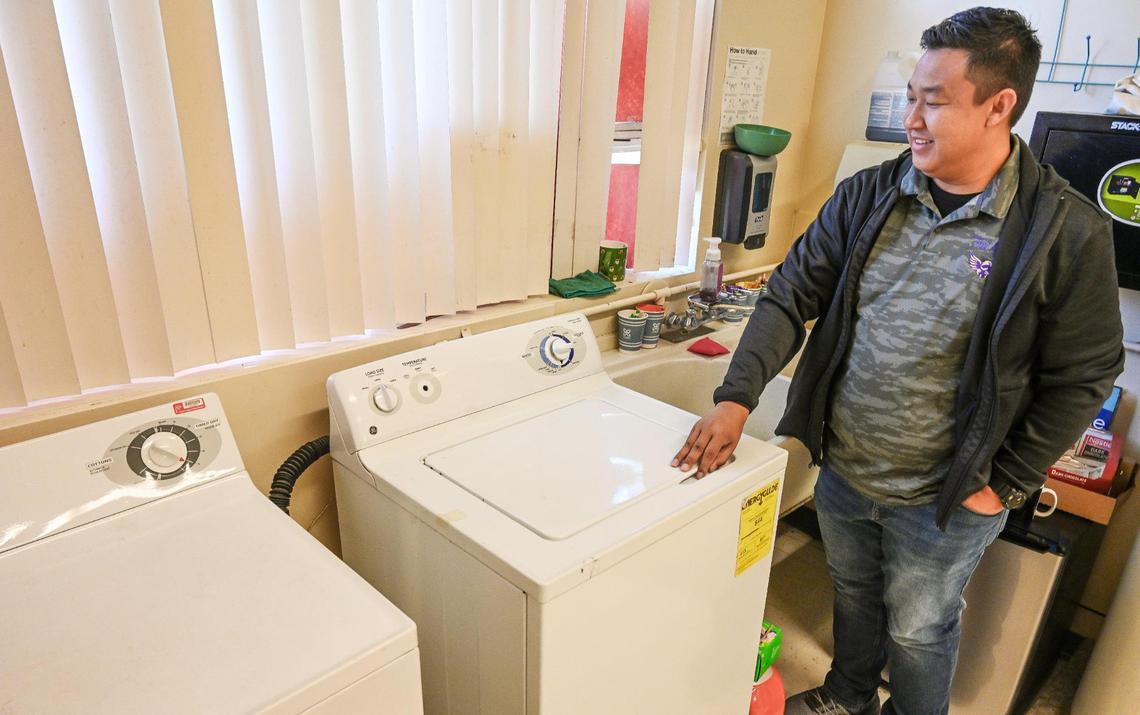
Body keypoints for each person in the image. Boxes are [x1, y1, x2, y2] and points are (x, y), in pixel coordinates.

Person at [671, 7, 1124, 715]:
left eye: (934, 101)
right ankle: (850, 693)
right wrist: (736, 397)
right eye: (911, 94)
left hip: (950, 494)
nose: (911, 116)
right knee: (851, 591)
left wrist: (1001, 483)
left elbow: (1086, 374)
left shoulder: (1064, 232)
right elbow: (790, 294)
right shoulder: (871, 193)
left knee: (919, 629)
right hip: (849, 465)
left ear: (998, 106)